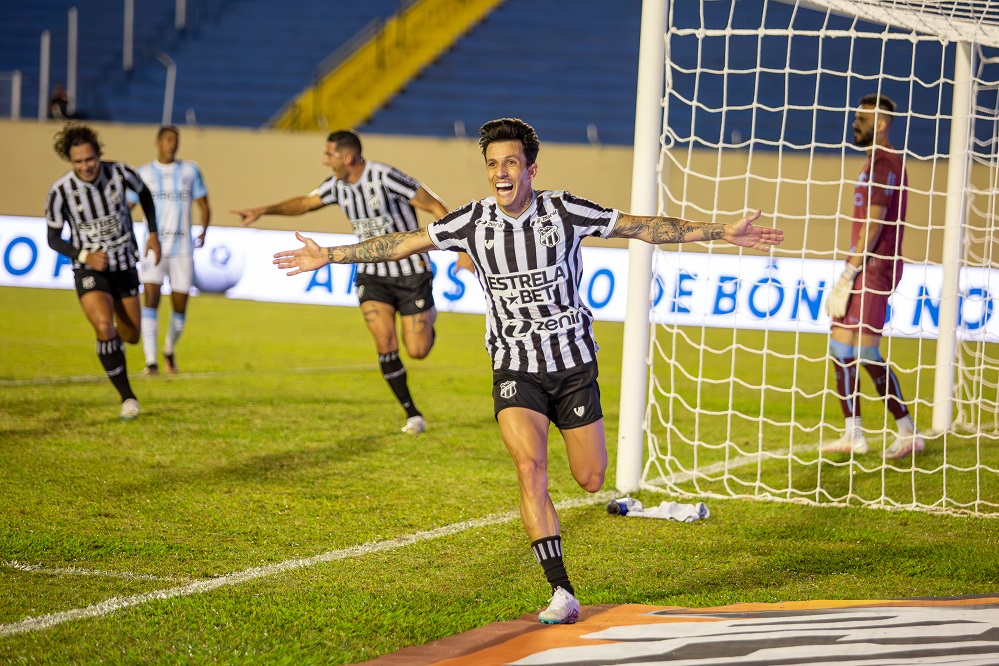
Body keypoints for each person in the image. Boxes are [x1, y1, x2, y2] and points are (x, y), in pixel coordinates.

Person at [272, 118, 784, 624]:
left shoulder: (565, 211)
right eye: (493, 163)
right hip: (514, 366)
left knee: (590, 477)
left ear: (531, 168)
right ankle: (561, 590)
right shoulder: (470, 221)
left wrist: (720, 231)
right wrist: (332, 254)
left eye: (511, 162)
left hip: (573, 363)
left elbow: (640, 227)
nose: (501, 172)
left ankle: (574, 524)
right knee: (529, 469)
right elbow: (403, 242)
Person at [233, 129, 463, 436]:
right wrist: (264, 210)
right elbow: (304, 203)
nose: (325, 160)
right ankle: (412, 414)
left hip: (411, 272)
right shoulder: (337, 186)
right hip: (371, 275)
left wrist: (459, 246)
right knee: (385, 343)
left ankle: (427, 316)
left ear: (348, 157)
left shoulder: (385, 177)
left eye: (329, 154)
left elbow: (434, 205)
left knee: (418, 350)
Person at [822, 93, 923, 460]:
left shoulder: (884, 162)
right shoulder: (873, 163)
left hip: (873, 268)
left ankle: (908, 432)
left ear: (880, 124)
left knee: (865, 351)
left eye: (861, 120)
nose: (854, 124)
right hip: (864, 267)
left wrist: (849, 272)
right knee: (840, 348)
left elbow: (876, 224)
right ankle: (854, 435)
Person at [45, 123, 161, 419]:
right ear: (70, 162)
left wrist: (153, 233)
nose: (85, 166)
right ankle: (128, 399)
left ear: (98, 154)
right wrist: (85, 255)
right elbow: (53, 238)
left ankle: (113, 347)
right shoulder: (61, 192)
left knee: (131, 335)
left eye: (89, 159)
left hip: (124, 263)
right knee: (103, 327)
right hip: (89, 269)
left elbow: (145, 195)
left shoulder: (121, 172)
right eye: (78, 161)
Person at [128, 125, 211, 376]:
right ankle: (151, 362)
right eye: (167, 139)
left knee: (179, 306)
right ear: (157, 142)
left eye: (175, 140)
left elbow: (204, 204)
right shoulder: (143, 173)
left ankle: (169, 350)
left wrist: (204, 230)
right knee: (151, 300)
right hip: (155, 248)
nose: (171, 144)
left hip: (183, 249)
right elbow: (127, 206)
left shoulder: (190, 170)